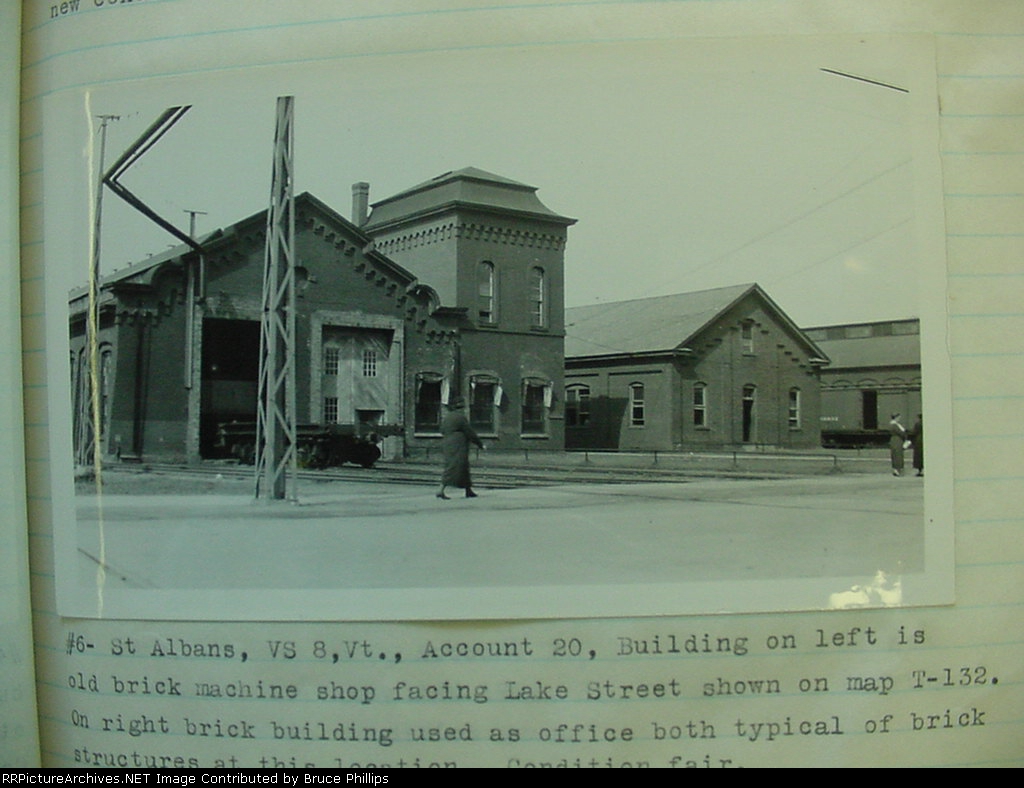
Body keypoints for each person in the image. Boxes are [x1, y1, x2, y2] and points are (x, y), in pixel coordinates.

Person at [437, 396, 484, 499]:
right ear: (459, 408)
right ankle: (441, 490)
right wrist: (480, 444)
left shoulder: (447, 418)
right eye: (462, 407)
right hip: (458, 446)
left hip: (448, 444)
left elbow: (442, 430)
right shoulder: (460, 418)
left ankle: (468, 490)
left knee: (463, 467)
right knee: (454, 466)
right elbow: (470, 432)